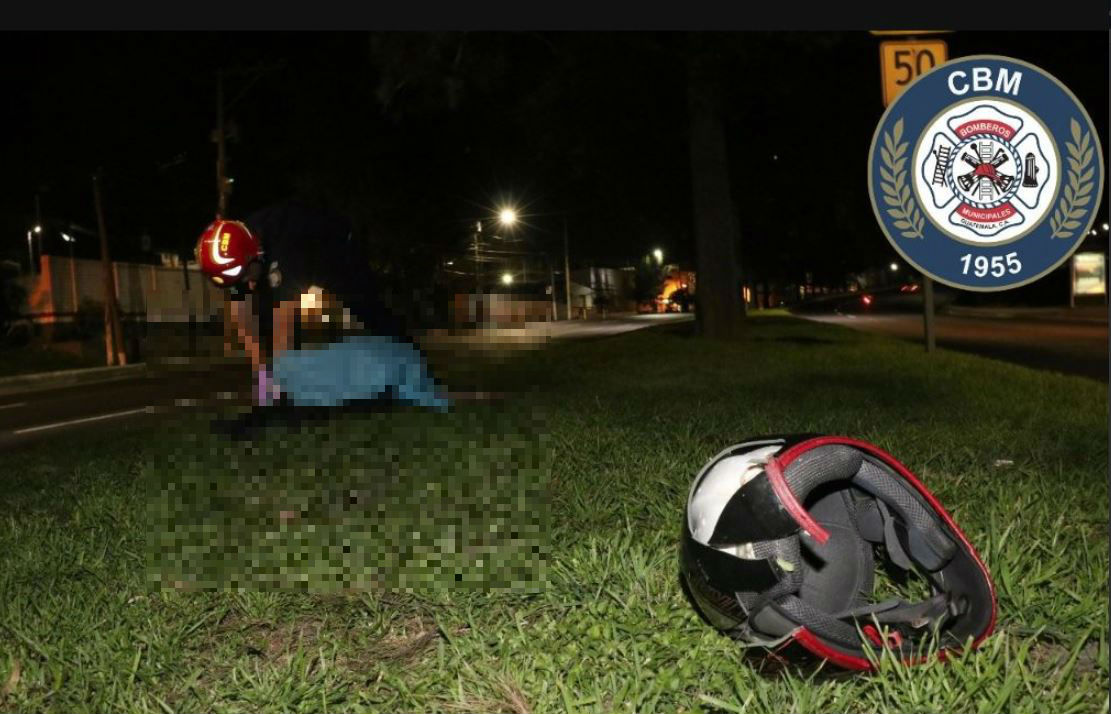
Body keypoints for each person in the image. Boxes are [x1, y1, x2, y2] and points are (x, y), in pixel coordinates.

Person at [195, 203, 448, 436]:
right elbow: (243, 318)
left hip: (335, 245)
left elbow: (284, 327)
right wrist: (262, 380)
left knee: (369, 311)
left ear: (255, 254)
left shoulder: (285, 247)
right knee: (265, 334)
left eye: (246, 277)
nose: (246, 284)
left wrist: (283, 394)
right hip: (289, 247)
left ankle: (411, 371)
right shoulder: (239, 250)